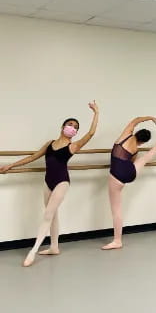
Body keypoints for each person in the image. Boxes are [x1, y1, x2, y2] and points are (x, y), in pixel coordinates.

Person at [0, 101, 99, 267]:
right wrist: (10, 165)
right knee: (53, 216)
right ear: (63, 127)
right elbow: (32, 157)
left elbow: (90, 134)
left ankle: (33, 250)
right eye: (70, 124)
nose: (72, 128)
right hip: (48, 182)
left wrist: (96, 112)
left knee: (47, 215)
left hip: (62, 182)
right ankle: (54, 247)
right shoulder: (49, 144)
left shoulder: (73, 146)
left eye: (75, 127)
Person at [102, 116, 156, 250]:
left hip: (116, 177)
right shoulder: (136, 150)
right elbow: (131, 162)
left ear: (136, 133)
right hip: (129, 173)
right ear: (143, 142)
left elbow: (135, 120)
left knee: (116, 210)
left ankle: (117, 241)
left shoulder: (125, 136)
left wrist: (150, 118)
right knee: (145, 158)